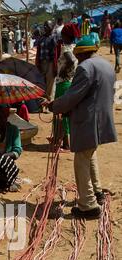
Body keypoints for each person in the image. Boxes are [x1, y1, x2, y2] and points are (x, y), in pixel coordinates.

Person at [48, 36, 117, 219]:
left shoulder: (85, 68)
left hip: (88, 121)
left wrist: (53, 106)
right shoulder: (106, 65)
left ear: (80, 54)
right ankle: (97, 191)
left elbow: (73, 97)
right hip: (101, 120)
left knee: (81, 161)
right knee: (90, 155)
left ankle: (88, 206)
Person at [54, 23, 80, 151]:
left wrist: (64, 68)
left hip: (63, 83)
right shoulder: (75, 47)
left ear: (66, 35)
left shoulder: (65, 48)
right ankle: (68, 141)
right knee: (68, 113)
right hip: (70, 82)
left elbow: (70, 60)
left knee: (61, 112)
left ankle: (66, 143)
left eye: (63, 35)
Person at [36, 21, 58, 100]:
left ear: (52, 27)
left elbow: (55, 53)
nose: (45, 27)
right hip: (42, 62)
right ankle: (42, 100)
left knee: (50, 82)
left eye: (47, 26)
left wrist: (55, 66)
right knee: (42, 82)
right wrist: (37, 63)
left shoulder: (54, 37)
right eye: (44, 26)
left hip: (50, 63)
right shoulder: (41, 38)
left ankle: (48, 101)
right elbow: (38, 52)